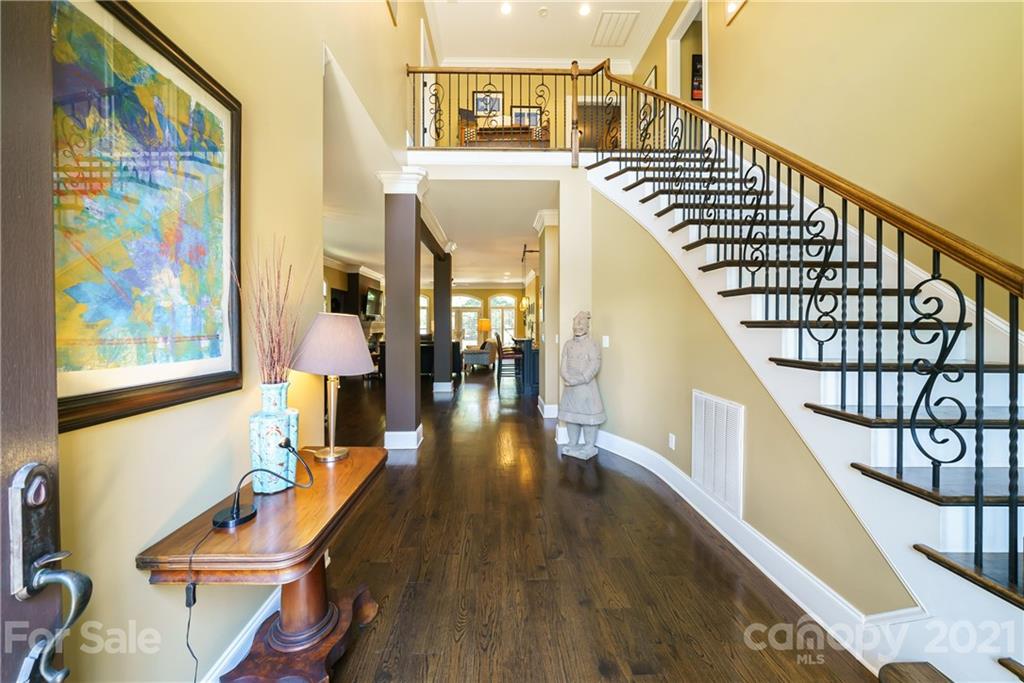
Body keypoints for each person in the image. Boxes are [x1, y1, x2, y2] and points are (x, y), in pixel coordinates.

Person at [558, 311, 606, 459]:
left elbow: (594, 365)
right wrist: (566, 376)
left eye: (581, 324)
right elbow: (563, 363)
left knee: (588, 417)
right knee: (571, 415)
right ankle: (572, 442)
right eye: (576, 324)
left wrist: (580, 379)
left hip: (586, 388)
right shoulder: (568, 344)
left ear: (587, 326)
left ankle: (589, 445)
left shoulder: (592, 344)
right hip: (570, 388)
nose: (578, 327)